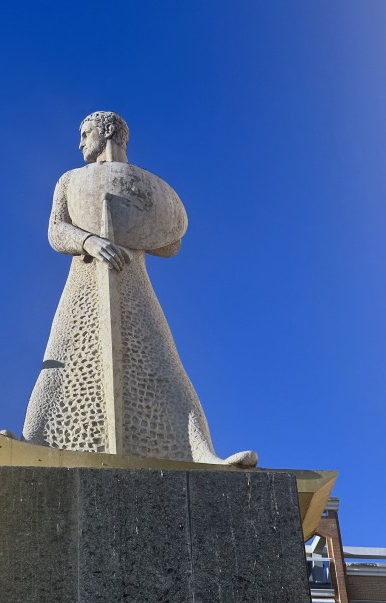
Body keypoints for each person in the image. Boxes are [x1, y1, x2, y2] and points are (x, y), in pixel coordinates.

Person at [22, 111, 257, 467]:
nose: (80, 142)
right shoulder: (69, 180)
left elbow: (170, 245)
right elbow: (56, 230)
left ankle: (201, 453)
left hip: (134, 285)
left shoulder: (145, 185)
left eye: (86, 133)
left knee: (165, 366)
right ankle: (33, 445)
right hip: (84, 287)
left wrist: (143, 220)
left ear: (108, 132)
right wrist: (89, 242)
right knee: (59, 364)